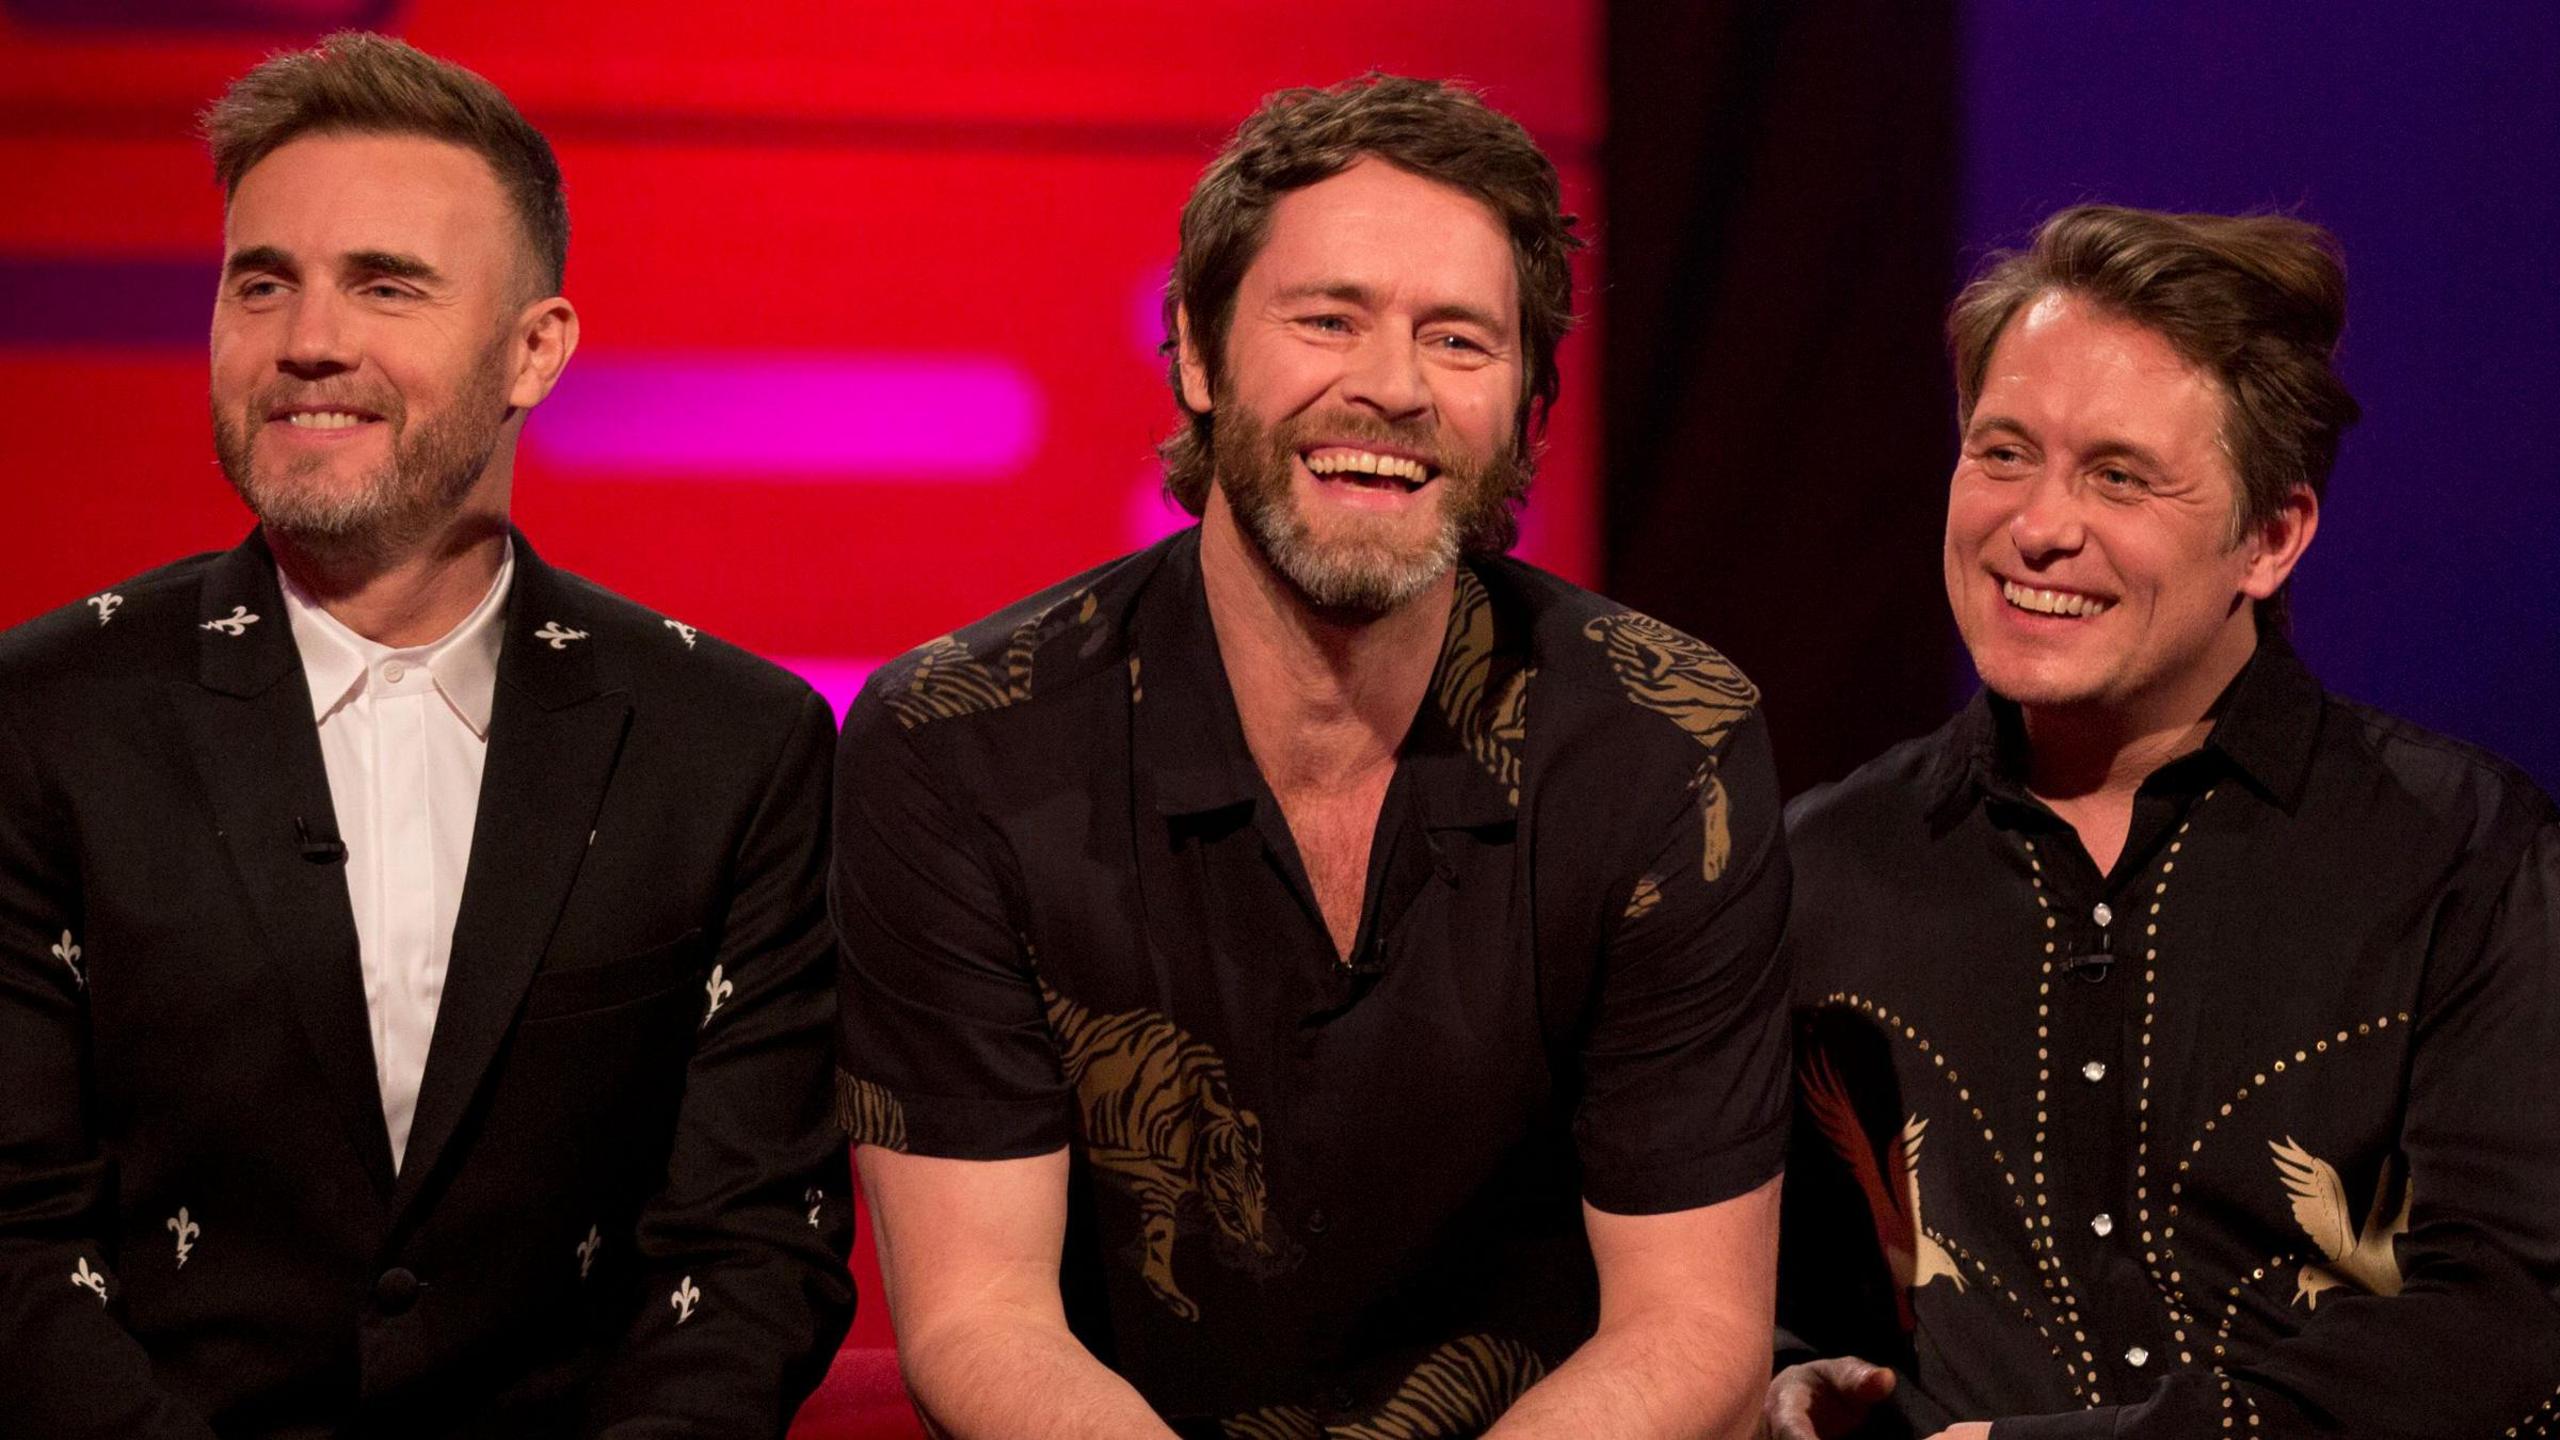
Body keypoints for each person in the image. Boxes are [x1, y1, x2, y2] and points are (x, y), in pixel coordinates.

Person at [833, 73, 1791, 1438]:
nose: (1390, 388)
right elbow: (980, 1319)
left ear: (1527, 409)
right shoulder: (955, 745)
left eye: (1458, 341)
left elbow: (1690, 1329)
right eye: (1327, 319)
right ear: (1200, 353)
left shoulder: (1667, 740)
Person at [0, 33, 852, 1437]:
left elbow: (750, 1253)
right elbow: (16, 1241)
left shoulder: (733, 746)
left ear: (536, 350)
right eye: (260, 282)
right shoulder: (40, 724)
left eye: (384, 285)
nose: (307, 340)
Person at [1766, 204, 2560, 1439]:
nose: (2036, 527)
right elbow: (1768, 1290)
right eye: (2001, 454)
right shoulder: (1820, 868)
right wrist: (1784, 1378)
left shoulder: (2463, 852)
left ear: (2271, 535)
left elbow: (2510, 1315)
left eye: (2118, 476)